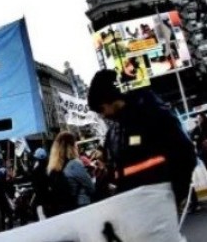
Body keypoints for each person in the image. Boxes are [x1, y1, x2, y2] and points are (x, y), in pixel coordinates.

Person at [88, 69, 197, 206]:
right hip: (135, 209)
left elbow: (185, 151)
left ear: (110, 100)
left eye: (102, 110)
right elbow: (123, 171)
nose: (103, 116)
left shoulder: (152, 114)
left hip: (161, 203)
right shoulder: (113, 133)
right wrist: (106, 173)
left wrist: (176, 194)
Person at [45, 131, 94, 217]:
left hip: (66, 211)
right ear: (71, 146)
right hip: (83, 208)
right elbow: (91, 188)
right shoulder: (74, 164)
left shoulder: (53, 169)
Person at [30, 148, 51, 219]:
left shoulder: (35, 171)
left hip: (41, 202)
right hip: (50, 200)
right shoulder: (49, 169)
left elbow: (35, 187)